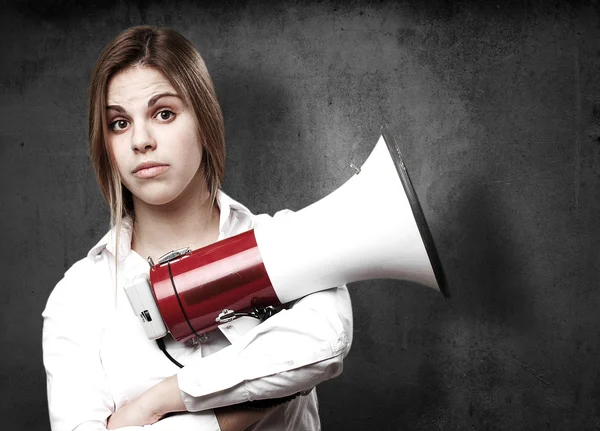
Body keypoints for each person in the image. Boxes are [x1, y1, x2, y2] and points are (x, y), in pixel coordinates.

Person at [42, 26, 353, 431]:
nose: (140, 140)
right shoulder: (79, 297)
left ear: (204, 121)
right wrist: (232, 416)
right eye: (119, 123)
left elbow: (325, 342)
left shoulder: (282, 242)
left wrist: (159, 401)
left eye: (164, 113)